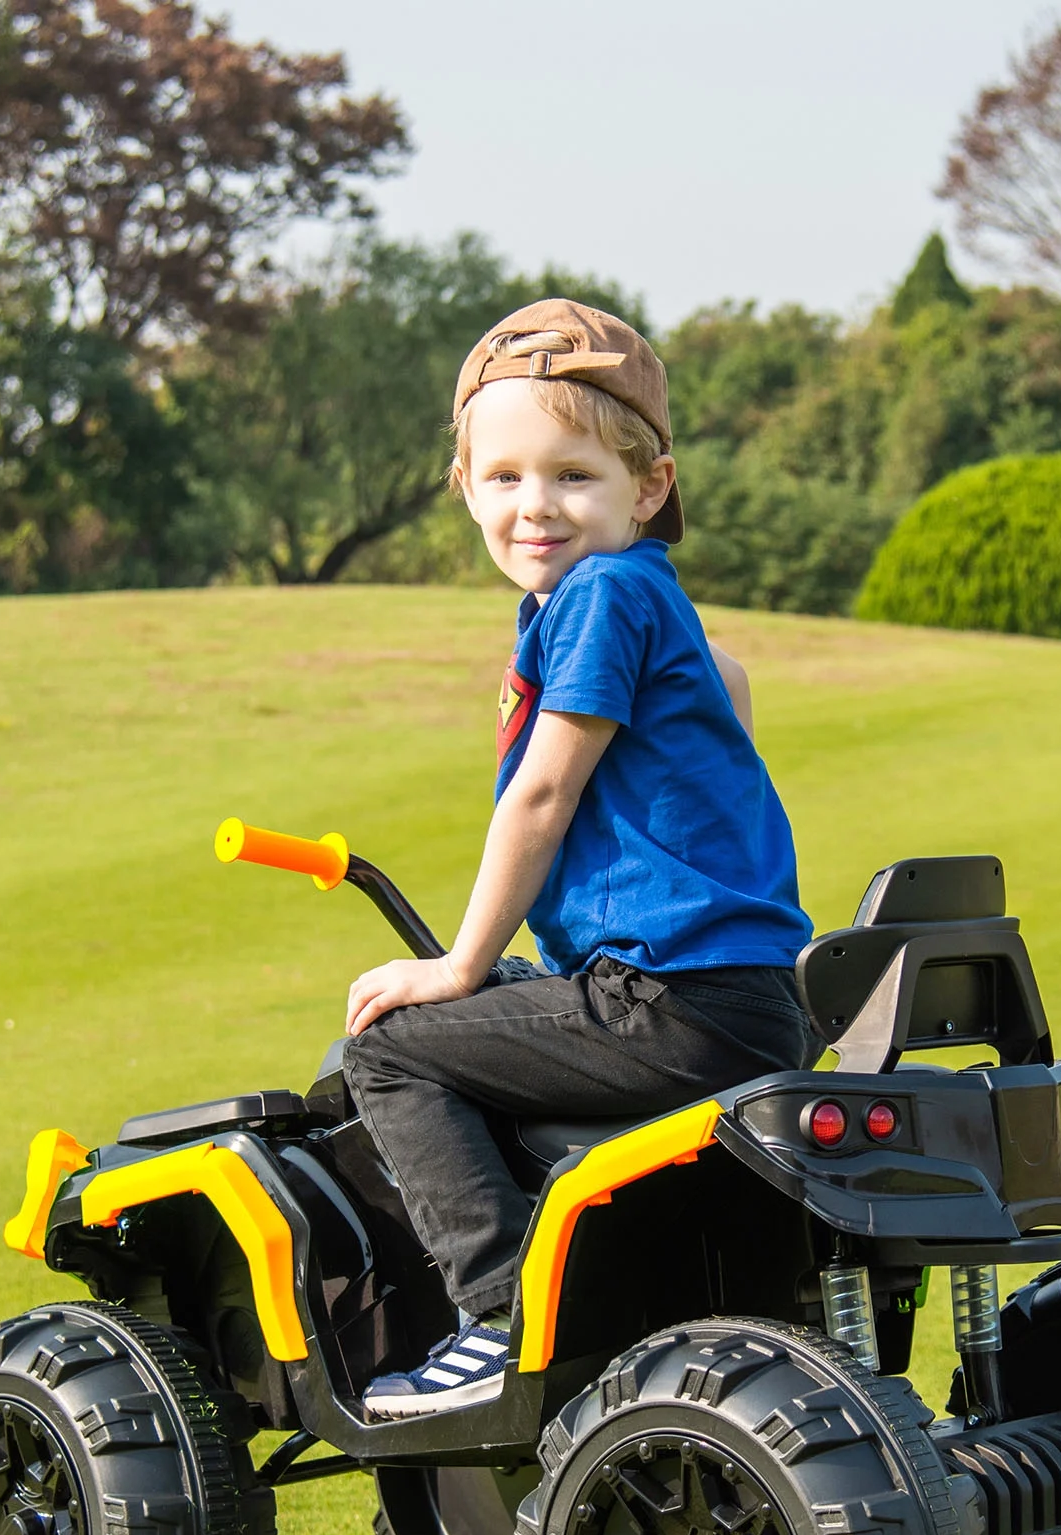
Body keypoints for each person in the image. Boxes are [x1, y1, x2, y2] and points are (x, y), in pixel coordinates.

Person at [344, 300, 814, 1420]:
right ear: (465, 486)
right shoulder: (647, 600)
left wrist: (459, 964)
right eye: (504, 477)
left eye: (572, 475)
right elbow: (729, 691)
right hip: (754, 998)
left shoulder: (599, 594)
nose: (535, 505)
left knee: (391, 1050)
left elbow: (543, 794)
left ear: (647, 488)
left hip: (669, 1001)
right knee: (500, 1005)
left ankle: (498, 1319)